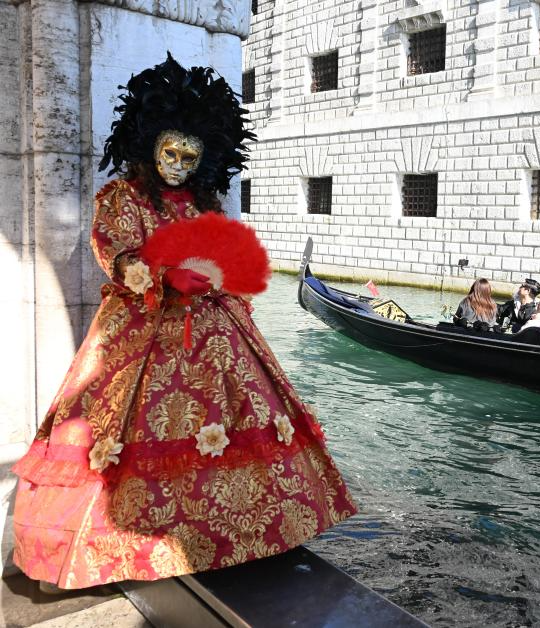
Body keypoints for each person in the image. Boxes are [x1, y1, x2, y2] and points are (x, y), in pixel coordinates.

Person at [9, 55, 357, 591]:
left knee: (240, 422)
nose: (178, 165)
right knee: (120, 435)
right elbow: (114, 252)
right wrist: (162, 275)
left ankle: (238, 538)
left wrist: (218, 275)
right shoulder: (123, 199)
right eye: (170, 152)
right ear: (148, 146)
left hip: (215, 330)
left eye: (189, 157)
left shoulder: (202, 205)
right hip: (143, 328)